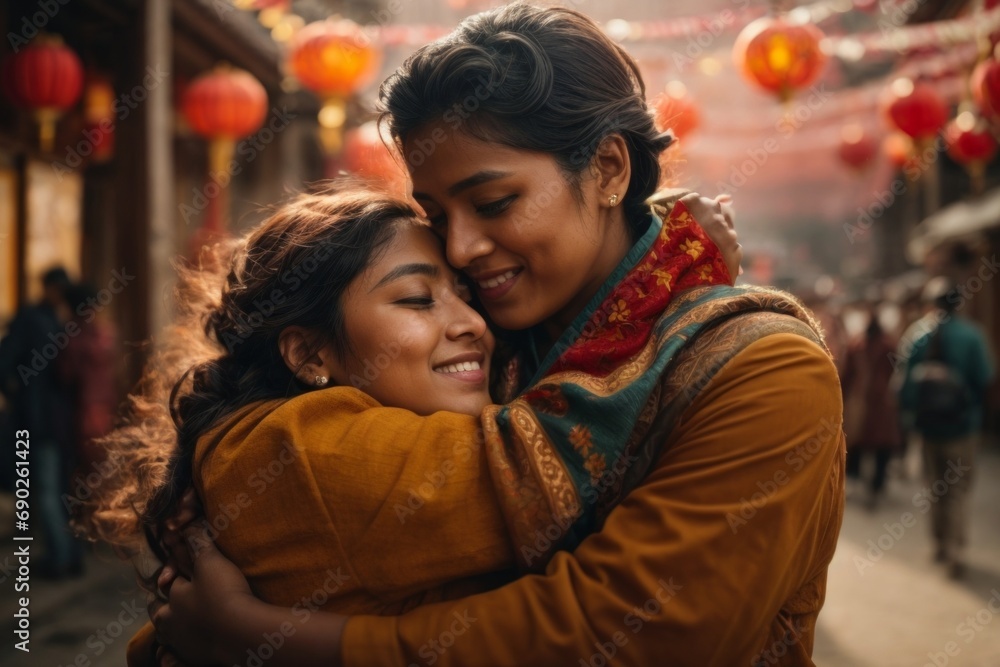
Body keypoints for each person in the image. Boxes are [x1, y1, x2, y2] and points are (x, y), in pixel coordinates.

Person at [145, 4, 844, 666]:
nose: (462, 247)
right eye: (437, 214)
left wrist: (262, 639)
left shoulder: (762, 371)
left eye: (494, 202)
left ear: (607, 170)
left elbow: (624, 638)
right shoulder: (483, 343)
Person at [899, 278, 994, 579]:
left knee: (934, 487)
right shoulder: (972, 335)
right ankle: (955, 547)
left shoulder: (917, 335)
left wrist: (911, 418)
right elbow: (985, 377)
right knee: (957, 489)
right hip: (963, 427)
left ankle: (939, 543)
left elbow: (904, 385)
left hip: (928, 428)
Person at [0, 266, 83, 579]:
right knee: (49, 488)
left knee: (53, 488)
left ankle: (64, 555)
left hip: (54, 421)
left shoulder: (58, 321)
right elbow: (5, 361)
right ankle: (63, 556)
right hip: (42, 421)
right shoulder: (37, 320)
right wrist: (19, 398)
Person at [841, 303, 902, 510]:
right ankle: (875, 485)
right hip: (879, 401)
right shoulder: (887, 344)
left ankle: (860, 483)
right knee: (878, 446)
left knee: (858, 443)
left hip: (862, 402)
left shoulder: (857, 344)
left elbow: (846, 376)